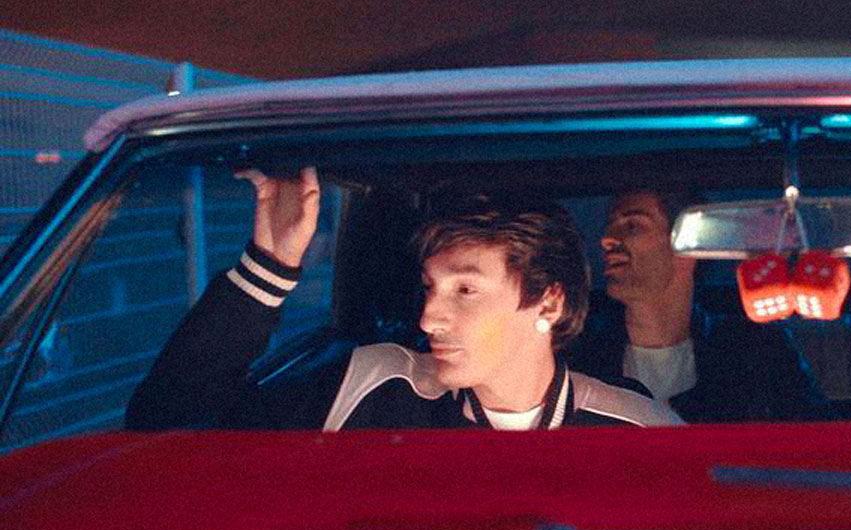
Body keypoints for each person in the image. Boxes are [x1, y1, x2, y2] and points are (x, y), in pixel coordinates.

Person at [126, 168, 679, 431]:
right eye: (430, 288)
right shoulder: (373, 385)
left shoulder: (634, 427)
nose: (429, 317)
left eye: (465, 290)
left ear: (548, 304)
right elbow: (168, 427)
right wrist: (268, 264)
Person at [568, 189, 820, 422]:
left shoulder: (756, 352)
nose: (607, 240)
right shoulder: (581, 356)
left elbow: (815, 437)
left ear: (688, 245)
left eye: (632, 226)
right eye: (610, 226)